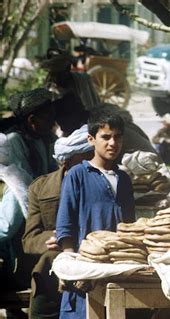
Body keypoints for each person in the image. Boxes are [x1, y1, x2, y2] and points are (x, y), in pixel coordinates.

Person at [55, 111, 135, 318]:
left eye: (117, 137)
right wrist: (73, 267)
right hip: (86, 268)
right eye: (105, 137)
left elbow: (129, 226)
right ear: (91, 140)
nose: (112, 143)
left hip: (116, 267)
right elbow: (65, 226)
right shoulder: (78, 175)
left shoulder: (124, 179)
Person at [22, 125, 94, 319]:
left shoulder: (101, 182)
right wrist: (57, 238)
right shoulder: (41, 188)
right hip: (52, 274)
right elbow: (30, 239)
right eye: (86, 157)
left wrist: (72, 240)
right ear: (68, 161)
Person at [0, 88, 57, 292]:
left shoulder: (43, 139)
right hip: (14, 189)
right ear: (32, 120)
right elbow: (19, 182)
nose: (53, 122)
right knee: (7, 224)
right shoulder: (12, 141)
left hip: (33, 192)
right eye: (48, 118)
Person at [53, 91, 156, 161]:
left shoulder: (98, 129)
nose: (62, 128)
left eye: (63, 122)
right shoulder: (97, 122)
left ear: (73, 115)